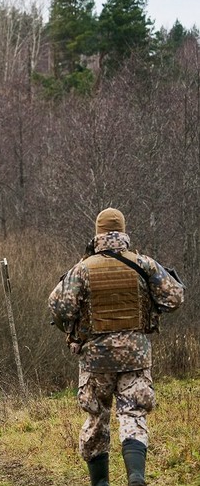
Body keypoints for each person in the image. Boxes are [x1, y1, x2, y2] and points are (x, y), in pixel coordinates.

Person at [49, 208, 184, 486]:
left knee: (97, 418)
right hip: (135, 355)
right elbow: (174, 298)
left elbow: (59, 307)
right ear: (123, 232)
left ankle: (101, 483)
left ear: (98, 234)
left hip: (96, 360)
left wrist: (73, 333)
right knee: (133, 415)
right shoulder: (144, 264)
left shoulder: (83, 269)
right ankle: (136, 476)